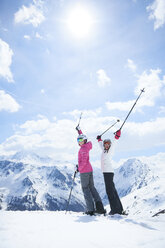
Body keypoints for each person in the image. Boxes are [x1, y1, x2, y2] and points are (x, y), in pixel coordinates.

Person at [76, 125, 106, 216]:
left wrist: (79, 168)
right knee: (92, 188)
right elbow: (84, 137)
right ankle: (99, 207)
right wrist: (79, 131)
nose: (79, 142)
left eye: (80, 140)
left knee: (85, 189)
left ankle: (90, 210)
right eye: (78, 140)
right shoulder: (87, 146)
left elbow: (84, 161)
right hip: (89, 170)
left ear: (84, 141)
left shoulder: (83, 149)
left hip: (84, 171)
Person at [97, 129, 124, 215]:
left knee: (109, 191)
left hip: (108, 172)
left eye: (108, 144)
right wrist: (99, 140)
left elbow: (115, 143)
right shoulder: (104, 150)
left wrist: (117, 137)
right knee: (113, 190)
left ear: (110, 145)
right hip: (107, 172)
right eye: (105, 144)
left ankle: (114, 210)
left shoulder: (110, 151)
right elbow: (101, 145)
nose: (107, 146)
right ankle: (119, 208)